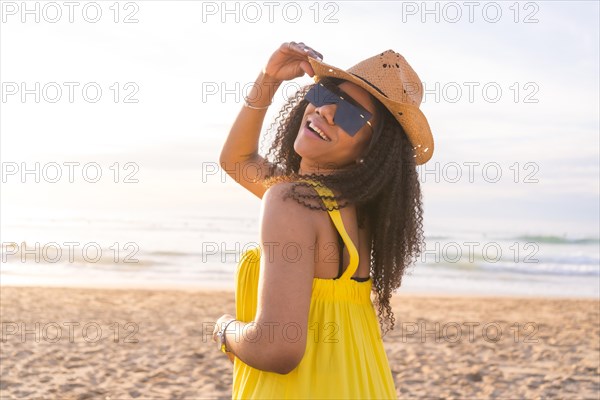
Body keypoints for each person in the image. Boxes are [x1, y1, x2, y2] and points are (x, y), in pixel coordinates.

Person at [213, 41, 435, 399]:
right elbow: (236, 160)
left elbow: (276, 348)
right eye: (325, 93)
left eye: (350, 116)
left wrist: (224, 329)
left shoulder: (292, 202)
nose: (326, 111)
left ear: (371, 148)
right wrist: (269, 78)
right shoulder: (354, 210)